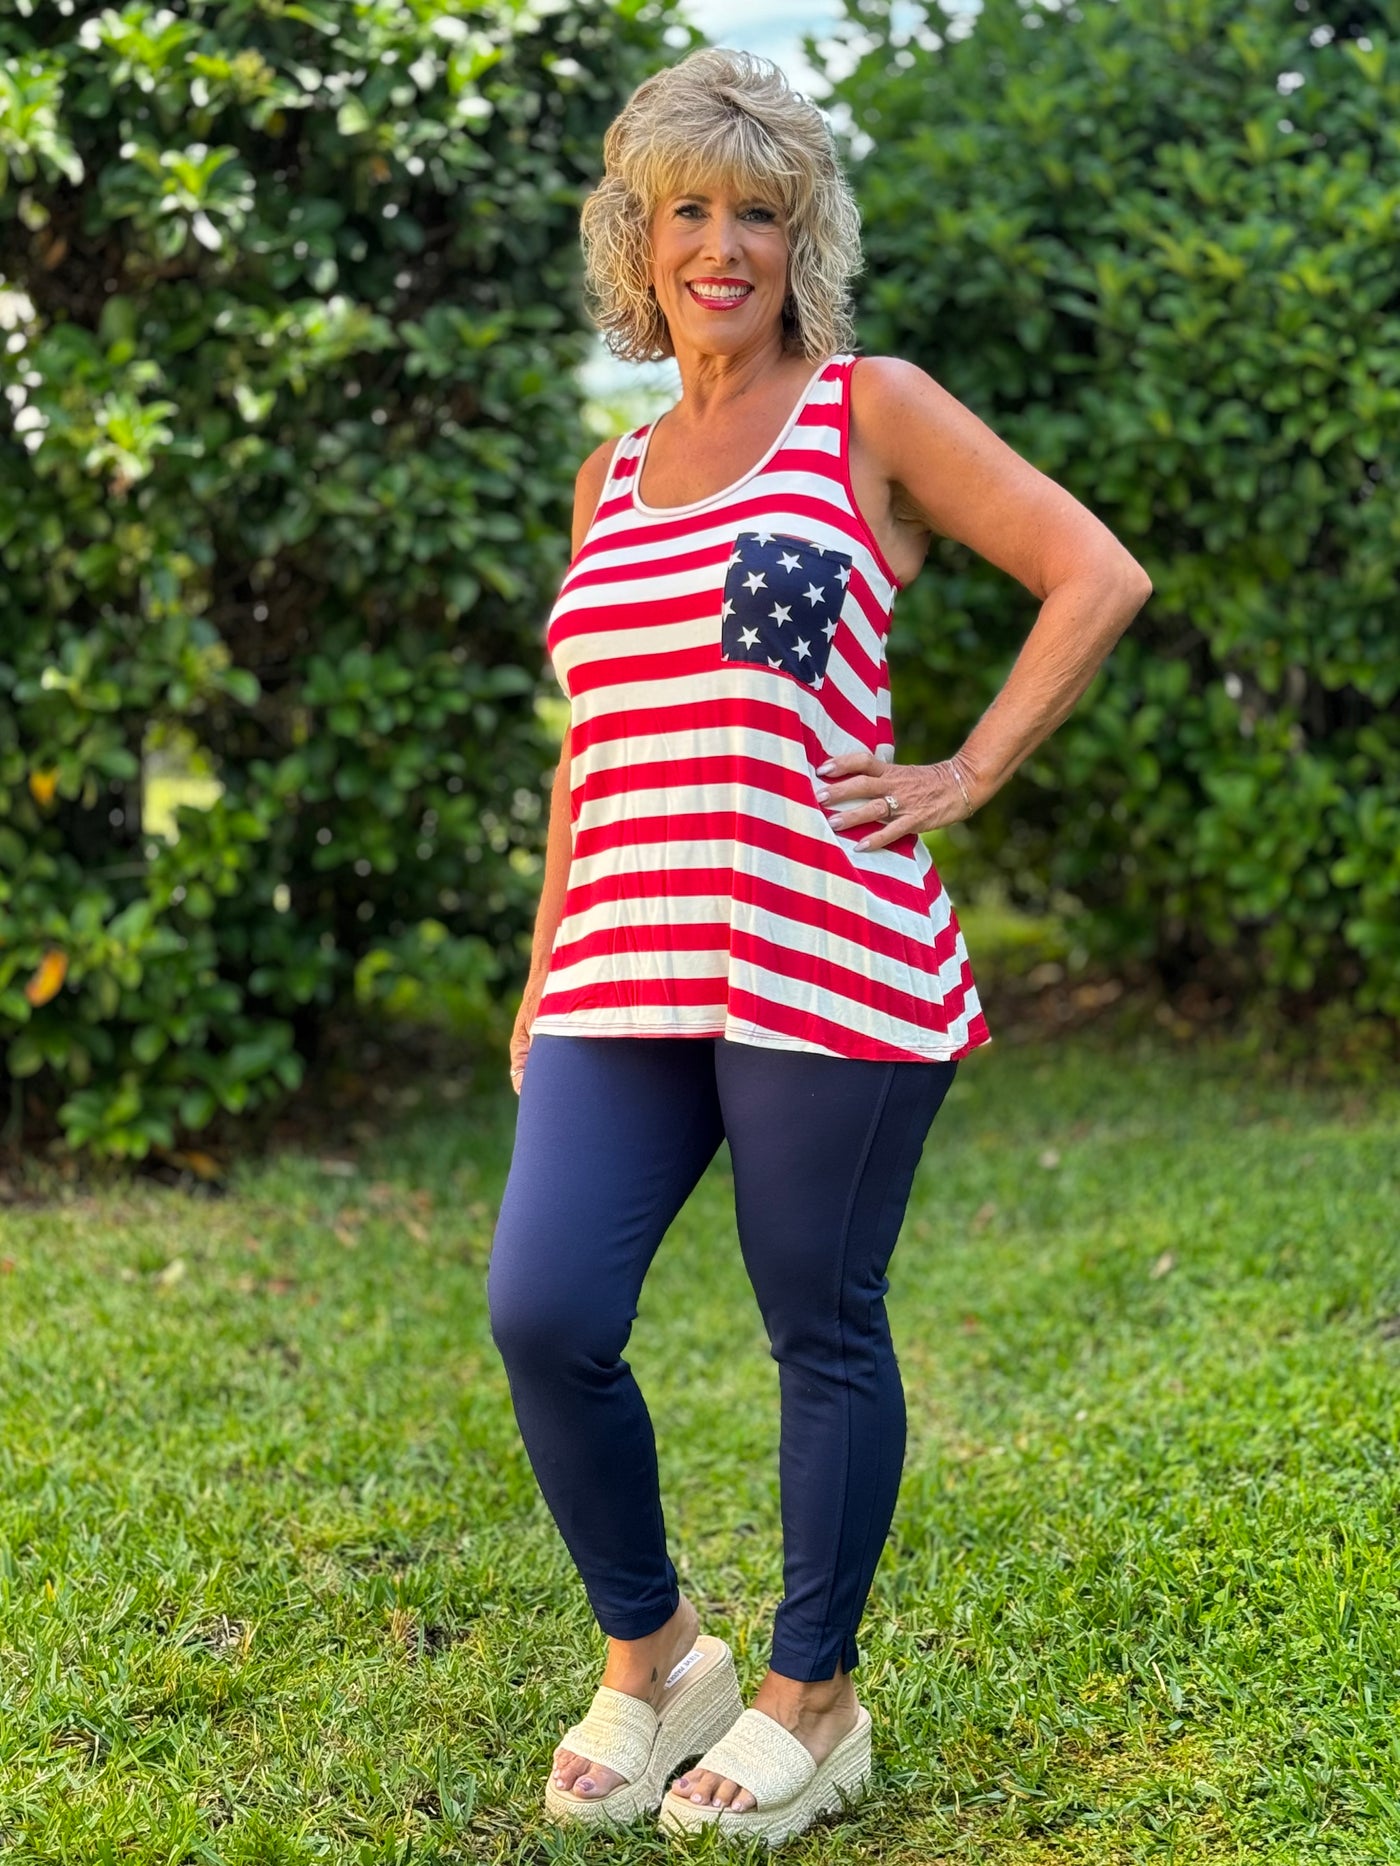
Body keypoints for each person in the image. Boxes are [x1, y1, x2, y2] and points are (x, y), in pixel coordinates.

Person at [486, 45, 1151, 1847]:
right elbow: (593, 747)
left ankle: (815, 1694)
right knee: (543, 1309)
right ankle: (656, 1652)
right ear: (639, 236)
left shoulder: (871, 408)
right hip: (620, 964)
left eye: (758, 212)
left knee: (817, 1326)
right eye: (688, 209)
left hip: (825, 954)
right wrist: (543, 972)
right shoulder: (608, 475)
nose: (724, 246)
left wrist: (962, 771)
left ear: (801, 238)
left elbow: (1094, 572)